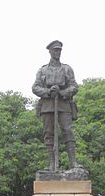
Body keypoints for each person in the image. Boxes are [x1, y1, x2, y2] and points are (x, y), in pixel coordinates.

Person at [32, 40, 81, 170]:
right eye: (55, 50)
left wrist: (63, 92)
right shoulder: (42, 70)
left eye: (59, 50)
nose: (57, 52)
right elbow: (35, 87)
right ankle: (52, 164)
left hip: (64, 105)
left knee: (68, 131)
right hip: (47, 106)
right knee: (48, 134)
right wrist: (48, 92)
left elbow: (74, 86)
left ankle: (73, 163)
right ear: (50, 51)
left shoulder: (67, 69)